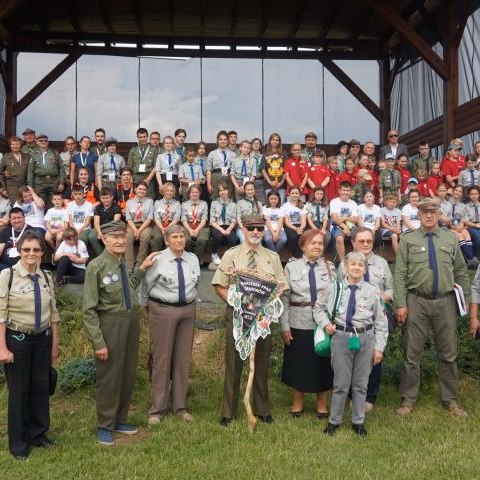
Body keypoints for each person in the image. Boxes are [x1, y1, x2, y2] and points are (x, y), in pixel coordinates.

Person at [393, 197, 470, 418]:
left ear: (439, 214)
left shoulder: (450, 239)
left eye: (432, 212)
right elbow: (399, 274)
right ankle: (408, 399)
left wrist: (462, 303)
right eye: (424, 212)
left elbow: (462, 273)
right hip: (416, 301)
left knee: (448, 353)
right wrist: (400, 303)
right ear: (418, 214)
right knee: (411, 353)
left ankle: (450, 400)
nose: (428, 215)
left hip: (445, 301)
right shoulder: (408, 240)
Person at [83, 221, 158, 446]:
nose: (118, 240)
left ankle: (119, 420)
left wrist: (142, 268)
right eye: (113, 237)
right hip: (110, 325)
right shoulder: (96, 267)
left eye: (121, 237)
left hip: (129, 322)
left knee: (126, 373)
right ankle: (105, 425)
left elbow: (129, 287)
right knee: (109, 377)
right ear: (103, 240)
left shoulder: (122, 262)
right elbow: (88, 310)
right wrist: (98, 342)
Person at [212, 214, 286, 427]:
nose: (255, 232)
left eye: (259, 228)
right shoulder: (231, 255)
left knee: (261, 363)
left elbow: (281, 285)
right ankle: (228, 411)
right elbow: (219, 285)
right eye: (251, 228)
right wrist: (239, 305)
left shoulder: (272, 256)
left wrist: (265, 305)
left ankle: (262, 409)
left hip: (263, 318)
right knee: (233, 364)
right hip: (237, 316)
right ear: (243, 229)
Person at [0, 230, 59, 459]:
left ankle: (38, 434)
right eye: (26, 249)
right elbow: (1, 314)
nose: (31, 253)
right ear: (19, 251)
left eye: (35, 249)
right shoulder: (8, 276)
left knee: (40, 388)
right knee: (19, 391)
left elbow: (54, 313)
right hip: (17, 340)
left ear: (42, 253)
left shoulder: (45, 276)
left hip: (42, 339)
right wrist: (2, 348)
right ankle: (18, 442)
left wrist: (55, 344)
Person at [139, 225, 200, 424]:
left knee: (182, 359)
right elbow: (145, 286)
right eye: (174, 237)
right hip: (162, 310)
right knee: (161, 360)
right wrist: (146, 309)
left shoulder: (193, 259)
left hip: (187, 310)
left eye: (182, 236)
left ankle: (180, 406)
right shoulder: (157, 260)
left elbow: (195, 284)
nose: (179, 240)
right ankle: (157, 409)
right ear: (166, 240)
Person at [322, 251, 387, 436]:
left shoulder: (372, 290)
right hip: (341, 337)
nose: (357, 268)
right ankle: (334, 421)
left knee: (360, 383)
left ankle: (358, 421)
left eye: (360, 265)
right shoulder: (334, 288)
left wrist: (379, 348)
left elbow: (381, 322)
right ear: (346, 266)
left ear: (364, 268)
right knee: (341, 383)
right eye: (353, 264)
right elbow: (318, 307)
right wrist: (325, 323)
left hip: (365, 338)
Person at [337, 227, 393, 412]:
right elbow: (338, 288)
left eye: (369, 241)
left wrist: (382, 298)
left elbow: (391, 289)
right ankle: (349, 394)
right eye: (361, 241)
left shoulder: (382, 263)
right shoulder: (344, 264)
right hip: (350, 320)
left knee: (374, 357)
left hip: (374, 317)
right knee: (349, 357)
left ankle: (369, 396)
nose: (366, 244)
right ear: (353, 242)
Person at [280, 230, 335, 418]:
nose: (317, 246)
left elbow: (335, 297)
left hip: (323, 324)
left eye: (320, 243)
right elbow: (284, 299)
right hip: (298, 320)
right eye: (313, 243)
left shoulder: (329, 267)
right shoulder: (291, 267)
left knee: (323, 364)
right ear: (303, 245)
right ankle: (297, 404)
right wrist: (285, 327)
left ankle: (322, 405)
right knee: (299, 364)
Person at [27, 133, 65, 208]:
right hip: (39, 183)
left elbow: (61, 168)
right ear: (37, 142)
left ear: (48, 142)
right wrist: (30, 186)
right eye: (41, 141)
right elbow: (30, 172)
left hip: (53, 182)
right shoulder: (33, 154)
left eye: (45, 141)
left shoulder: (55, 152)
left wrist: (61, 182)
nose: (43, 142)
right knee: (41, 204)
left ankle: (52, 219)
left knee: (54, 203)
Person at [125, 181, 153, 272]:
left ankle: (139, 262)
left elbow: (149, 218)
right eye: (140, 189)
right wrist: (134, 230)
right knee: (128, 236)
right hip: (132, 225)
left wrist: (140, 230)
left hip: (144, 225)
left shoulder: (150, 201)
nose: (142, 191)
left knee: (145, 237)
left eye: (144, 189)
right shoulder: (129, 202)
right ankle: (129, 264)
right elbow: (128, 218)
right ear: (135, 189)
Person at [329, 182, 359, 261]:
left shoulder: (353, 203)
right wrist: (345, 226)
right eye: (344, 190)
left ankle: (357, 258)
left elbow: (356, 219)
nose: (345, 192)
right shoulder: (334, 202)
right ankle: (342, 262)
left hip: (351, 225)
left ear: (350, 191)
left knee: (359, 236)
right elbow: (336, 219)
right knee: (339, 238)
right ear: (339, 191)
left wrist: (343, 218)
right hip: (336, 226)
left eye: (347, 190)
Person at [209, 181, 238, 265]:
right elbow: (212, 221)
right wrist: (221, 230)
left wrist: (228, 229)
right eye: (220, 190)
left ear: (228, 191)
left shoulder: (233, 204)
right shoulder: (214, 203)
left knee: (233, 238)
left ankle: (230, 257)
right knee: (218, 236)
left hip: (229, 226)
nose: (222, 192)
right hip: (217, 226)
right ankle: (214, 253)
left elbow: (233, 220)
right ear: (218, 192)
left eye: (224, 189)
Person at [89, 187, 122, 257]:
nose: (105, 200)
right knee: (92, 236)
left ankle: (112, 256)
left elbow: (115, 221)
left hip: (112, 227)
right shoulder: (98, 208)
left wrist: (106, 232)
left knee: (110, 237)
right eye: (103, 198)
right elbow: (96, 223)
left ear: (112, 197)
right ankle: (101, 256)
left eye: (107, 198)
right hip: (100, 227)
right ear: (100, 198)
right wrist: (100, 233)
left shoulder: (116, 207)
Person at [181, 184, 209, 263]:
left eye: (196, 192)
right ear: (189, 193)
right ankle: (188, 258)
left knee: (203, 239)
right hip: (188, 225)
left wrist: (197, 230)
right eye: (192, 192)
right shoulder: (184, 204)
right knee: (186, 239)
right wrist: (190, 230)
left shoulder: (204, 204)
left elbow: (204, 219)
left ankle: (195, 260)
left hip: (200, 225)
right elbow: (183, 219)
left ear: (200, 193)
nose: (194, 194)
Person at [151, 182, 181, 252]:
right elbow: (156, 217)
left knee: (172, 237)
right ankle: (156, 258)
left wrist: (167, 228)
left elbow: (176, 219)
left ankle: (171, 258)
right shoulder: (157, 203)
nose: (169, 193)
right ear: (163, 191)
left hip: (172, 225)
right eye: (167, 190)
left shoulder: (177, 204)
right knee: (157, 237)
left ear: (173, 193)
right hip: (159, 224)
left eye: (171, 191)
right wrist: (162, 228)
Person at [127, 127, 157, 197]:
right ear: (137, 137)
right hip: (136, 178)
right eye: (140, 137)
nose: (143, 139)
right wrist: (131, 179)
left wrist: (148, 179)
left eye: (144, 137)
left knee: (149, 199)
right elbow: (129, 166)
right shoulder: (133, 150)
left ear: (147, 137)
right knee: (137, 199)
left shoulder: (154, 150)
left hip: (148, 178)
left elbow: (156, 166)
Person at [206, 130, 235, 199]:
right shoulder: (212, 154)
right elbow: (208, 170)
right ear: (217, 141)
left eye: (225, 139)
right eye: (221, 139)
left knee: (229, 197)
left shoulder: (233, 154)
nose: (223, 141)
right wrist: (208, 184)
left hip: (229, 177)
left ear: (228, 141)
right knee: (215, 198)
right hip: (216, 177)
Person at [0, 136, 30, 203]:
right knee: (16, 207)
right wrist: (4, 189)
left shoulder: (27, 157)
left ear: (20, 145)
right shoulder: (6, 157)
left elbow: (31, 172)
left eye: (17, 144)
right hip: (12, 188)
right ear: (10, 146)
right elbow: (1, 173)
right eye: (13, 144)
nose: (15, 146)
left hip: (25, 187)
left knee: (26, 206)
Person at [280, 186, 307, 260]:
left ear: (299, 194)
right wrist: (296, 229)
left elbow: (304, 221)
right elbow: (286, 222)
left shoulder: (302, 206)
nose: (294, 195)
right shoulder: (285, 206)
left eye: (296, 193)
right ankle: (297, 256)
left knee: (304, 236)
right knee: (293, 237)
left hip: (301, 225)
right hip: (290, 226)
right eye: (293, 193)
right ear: (289, 194)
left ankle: (296, 257)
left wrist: (300, 229)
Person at [261, 132, 287, 203]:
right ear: (270, 141)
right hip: (269, 185)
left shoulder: (284, 154)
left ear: (279, 142)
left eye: (277, 140)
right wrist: (270, 182)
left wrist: (281, 182)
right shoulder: (265, 154)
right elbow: (263, 170)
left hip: (282, 186)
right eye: (273, 140)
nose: (275, 141)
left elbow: (286, 170)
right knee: (270, 205)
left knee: (280, 205)